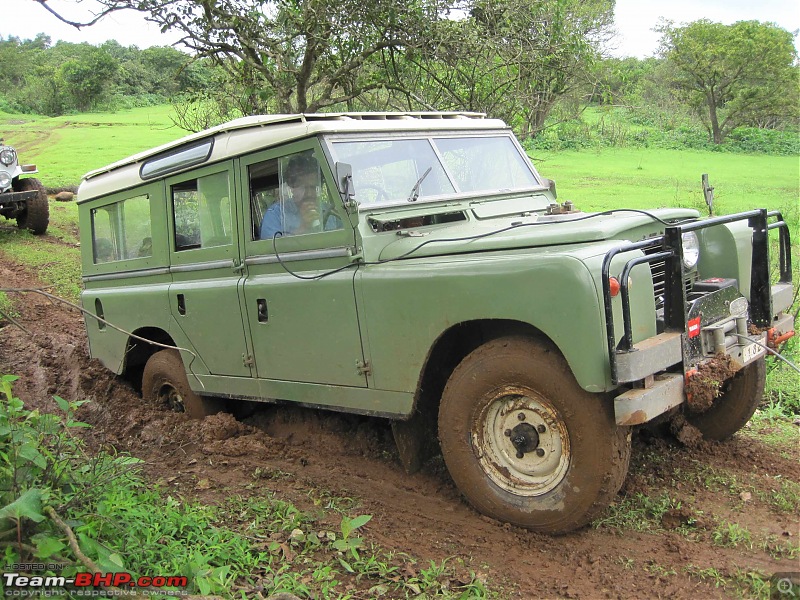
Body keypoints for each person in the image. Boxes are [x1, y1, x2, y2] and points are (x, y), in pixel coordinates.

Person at [260, 153, 325, 239]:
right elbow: (270, 251)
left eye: (313, 187)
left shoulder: (329, 211)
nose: (309, 194)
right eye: (303, 187)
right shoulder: (275, 215)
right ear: (292, 187)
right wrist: (303, 227)